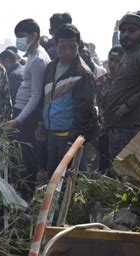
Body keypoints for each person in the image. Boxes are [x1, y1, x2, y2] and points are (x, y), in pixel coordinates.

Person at [38, 24, 97, 177]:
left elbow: (85, 112)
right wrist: (41, 124)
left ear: (78, 46)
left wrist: (73, 142)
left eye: (72, 47)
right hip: (52, 135)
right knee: (52, 177)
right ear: (56, 45)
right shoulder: (51, 68)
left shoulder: (82, 73)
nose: (67, 52)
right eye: (63, 47)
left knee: (71, 181)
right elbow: (44, 99)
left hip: (70, 139)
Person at [2, 19, 51, 200]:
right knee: (22, 156)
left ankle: (27, 196)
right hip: (23, 112)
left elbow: (36, 96)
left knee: (27, 159)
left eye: (21, 37)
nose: (18, 41)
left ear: (34, 36)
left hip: (27, 116)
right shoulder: (32, 56)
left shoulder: (38, 60)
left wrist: (18, 120)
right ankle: (23, 193)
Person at [103, 12, 140, 161]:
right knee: (117, 176)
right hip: (119, 127)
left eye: (132, 30)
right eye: (123, 31)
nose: (126, 34)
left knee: (126, 178)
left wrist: (127, 105)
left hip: (131, 128)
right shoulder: (127, 55)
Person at [95, 46, 125, 172]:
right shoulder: (100, 82)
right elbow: (98, 104)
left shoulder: (130, 83)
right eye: (111, 60)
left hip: (125, 129)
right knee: (104, 163)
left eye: (117, 61)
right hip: (105, 129)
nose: (113, 64)